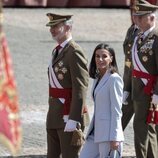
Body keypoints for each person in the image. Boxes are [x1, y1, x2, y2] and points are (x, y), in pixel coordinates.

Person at [45, 13, 89, 158]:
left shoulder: (74, 51)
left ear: (68, 27)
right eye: (51, 27)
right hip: (54, 114)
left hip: (67, 115)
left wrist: (74, 118)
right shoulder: (57, 51)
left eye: (56, 26)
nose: (52, 30)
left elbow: (80, 87)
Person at [123, 0, 158, 157]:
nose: (135, 19)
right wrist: (127, 88)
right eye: (135, 15)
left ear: (151, 18)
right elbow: (131, 66)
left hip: (149, 91)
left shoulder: (156, 38)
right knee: (144, 128)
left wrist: (157, 93)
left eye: (140, 16)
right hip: (136, 89)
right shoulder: (136, 35)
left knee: (142, 127)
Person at [79, 43, 124, 158]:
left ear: (111, 59)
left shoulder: (114, 79)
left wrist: (115, 137)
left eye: (104, 56)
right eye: (97, 56)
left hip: (108, 134)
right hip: (95, 131)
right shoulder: (98, 78)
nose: (100, 59)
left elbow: (116, 110)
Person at [122, 0, 139, 130]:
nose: (134, 16)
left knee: (145, 123)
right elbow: (128, 59)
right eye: (133, 12)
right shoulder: (132, 30)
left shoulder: (150, 35)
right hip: (129, 80)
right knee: (121, 116)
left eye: (137, 13)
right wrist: (126, 85)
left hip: (143, 84)